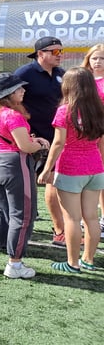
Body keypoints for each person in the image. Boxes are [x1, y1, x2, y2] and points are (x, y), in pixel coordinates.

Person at [0, 72, 50, 279]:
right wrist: (41, 144)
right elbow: (24, 145)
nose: (23, 91)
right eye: (19, 89)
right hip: (15, 164)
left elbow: (12, 139)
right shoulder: (13, 114)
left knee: (1, 211)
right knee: (23, 215)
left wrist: (30, 141)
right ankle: (15, 264)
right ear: (9, 94)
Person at [37, 67, 104, 273]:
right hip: (95, 166)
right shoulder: (99, 108)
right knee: (91, 217)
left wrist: (47, 169)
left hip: (70, 168)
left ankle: (72, 263)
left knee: (72, 218)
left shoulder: (65, 110)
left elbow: (58, 143)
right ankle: (88, 260)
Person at [14, 36, 66, 246]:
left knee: (53, 181)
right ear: (40, 53)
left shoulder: (61, 74)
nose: (59, 55)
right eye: (55, 52)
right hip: (32, 140)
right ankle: (17, 226)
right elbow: (9, 101)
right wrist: (25, 130)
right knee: (23, 185)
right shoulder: (24, 74)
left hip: (56, 138)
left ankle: (59, 230)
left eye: (61, 51)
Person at [80, 44, 104, 238]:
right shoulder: (82, 79)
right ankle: (84, 216)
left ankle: (102, 219)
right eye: (95, 58)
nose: (98, 62)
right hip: (82, 136)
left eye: (102, 58)